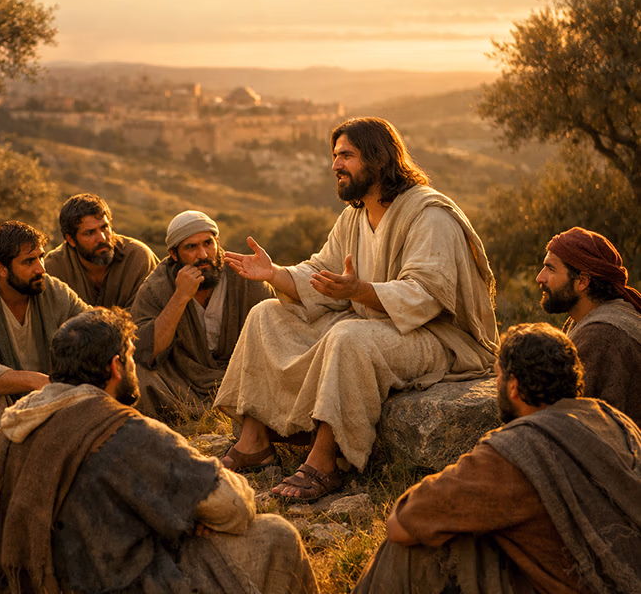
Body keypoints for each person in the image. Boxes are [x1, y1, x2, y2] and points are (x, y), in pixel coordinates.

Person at [214, 117, 498, 499]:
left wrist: (360, 291)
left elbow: (427, 293)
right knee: (266, 314)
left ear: (378, 159)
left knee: (350, 337)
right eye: (335, 156)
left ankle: (325, 462)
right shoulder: (355, 215)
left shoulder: (429, 215)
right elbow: (322, 271)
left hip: (438, 338)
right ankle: (254, 444)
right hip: (376, 324)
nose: (336, 165)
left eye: (346, 155)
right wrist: (276, 273)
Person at [0, 308, 318, 594]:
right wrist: (190, 512)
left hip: (28, 583)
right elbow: (234, 506)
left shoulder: (12, 426)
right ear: (115, 367)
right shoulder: (121, 430)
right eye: (131, 358)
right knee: (276, 534)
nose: (133, 367)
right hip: (118, 584)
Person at [354, 323, 641, 592]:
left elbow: (400, 526)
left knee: (409, 549)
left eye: (498, 376)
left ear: (513, 386)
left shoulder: (515, 452)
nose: (496, 385)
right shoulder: (615, 421)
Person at [0, 221, 90, 427]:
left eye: (41, 257)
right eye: (28, 262)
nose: (40, 268)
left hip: (51, 395)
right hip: (7, 404)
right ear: (1, 269)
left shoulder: (50, 289)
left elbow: (93, 326)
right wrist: (37, 381)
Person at [130, 210, 274, 420]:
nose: (203, 255)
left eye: (208, 243)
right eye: (191, 247)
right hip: (182, 381)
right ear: (174, 254)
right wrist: (180, 297)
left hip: (239, 377)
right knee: (138, 375)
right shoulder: (156, 288)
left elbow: (272, 337)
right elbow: (146, 352)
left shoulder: (244, 277)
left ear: (217, 242)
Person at [536, 226, 641, 425]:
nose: (540, 277)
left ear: (582, 281)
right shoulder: (588, 319)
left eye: (551, 268)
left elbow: (566, 424)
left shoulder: (601, 336)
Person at [44, 193, 158, 308]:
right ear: (71, 240)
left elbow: (147, 312)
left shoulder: (139, 258)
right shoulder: (53, 268)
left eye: (104, 228)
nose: (102, 238)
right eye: (89, 233)